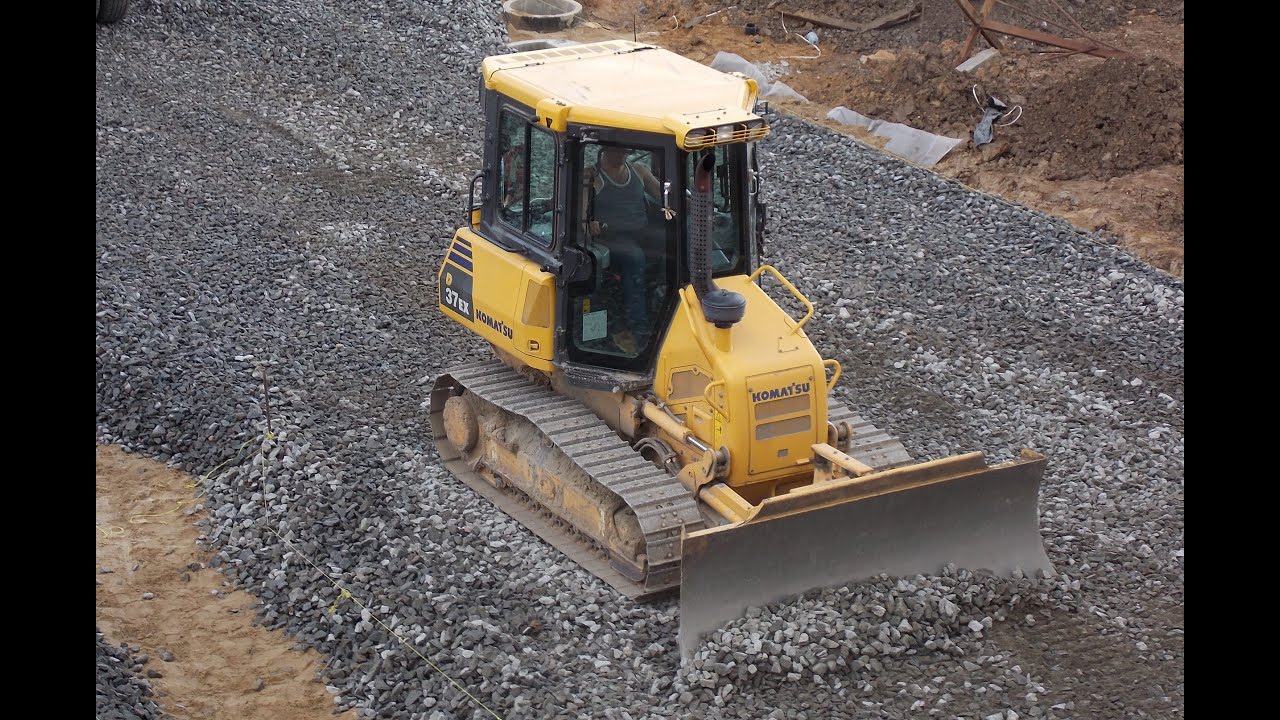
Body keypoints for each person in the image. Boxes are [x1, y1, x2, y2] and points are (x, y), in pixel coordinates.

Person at [584, 146, 663, 353]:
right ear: (604, 150)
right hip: (608, 239)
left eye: (625, 150)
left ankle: (665, 305)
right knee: (634, 257)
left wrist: (693, 204)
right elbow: (580, 214)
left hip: (638, 234)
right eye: (617, 150)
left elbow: (665, 196)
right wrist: (588, 223)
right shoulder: (592, 176)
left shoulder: (639, 171)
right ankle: (639, 327)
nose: (622, 154)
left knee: (670, 244)